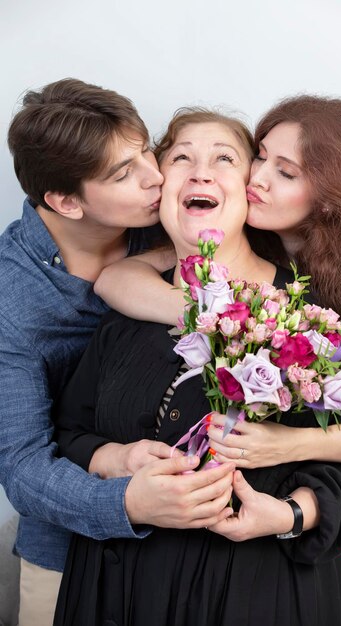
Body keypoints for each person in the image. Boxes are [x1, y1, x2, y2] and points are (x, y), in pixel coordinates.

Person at [53, 108, 341, 626]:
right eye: (181, 158)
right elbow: (69, 432)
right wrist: (118, 458)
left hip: (262, 592)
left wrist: (287, 514)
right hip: (119, 591)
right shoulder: (124, 306)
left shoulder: (316, 319)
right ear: (159, 184)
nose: (200, 171)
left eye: (225, 158)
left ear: (246, 192)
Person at [0, 80, 234, 626]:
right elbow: (22, 465)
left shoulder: (166, 218)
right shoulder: (11, 298)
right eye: (124, 173)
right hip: (69, 552)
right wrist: (127, 502)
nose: (156, 177)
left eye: (146, 152)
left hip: (197, 562)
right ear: (64, 201)